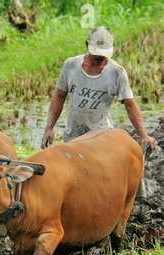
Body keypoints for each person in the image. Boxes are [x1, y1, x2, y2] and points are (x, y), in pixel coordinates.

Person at [41, 26, 156, 201]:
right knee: (74, 182)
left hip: (101, 137)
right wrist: (49, 128)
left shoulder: (117, 73)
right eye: (96, 55)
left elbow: (130, 104)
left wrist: (144, 135)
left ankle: (130, 201)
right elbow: (59, 96)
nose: (99, 59)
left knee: (100, 182)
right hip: (73, 135)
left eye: (103, 56)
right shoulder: (71, 65)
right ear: (87, 45)